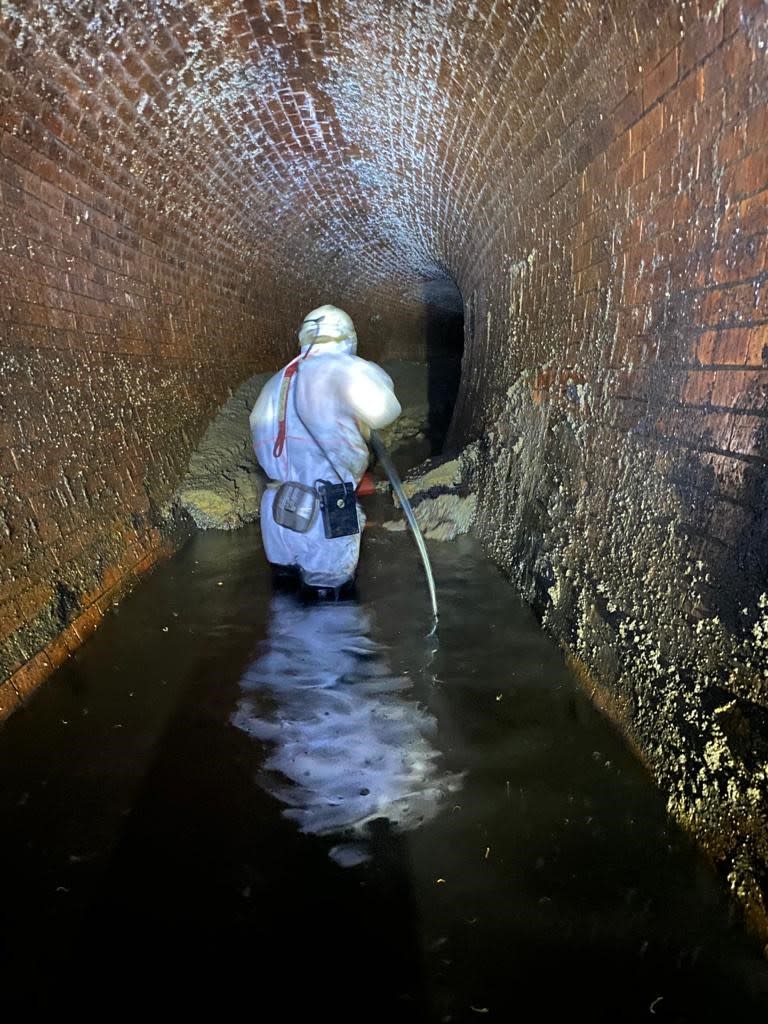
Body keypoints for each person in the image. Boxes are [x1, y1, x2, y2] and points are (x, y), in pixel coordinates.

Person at [249, 304, 402, 598]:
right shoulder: (343, 369)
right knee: (329, 600)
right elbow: (385, 409)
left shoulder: (277, 381)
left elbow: (258, 429)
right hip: (327, 507)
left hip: (279, 505)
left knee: (286, 594)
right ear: (346, 337)